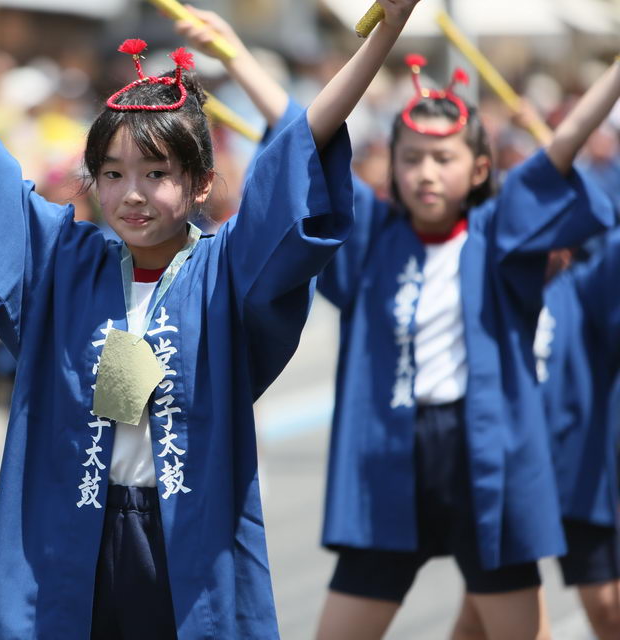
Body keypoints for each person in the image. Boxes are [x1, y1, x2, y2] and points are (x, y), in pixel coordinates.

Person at [0, 1, 417, 637]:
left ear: (201, 184)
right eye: (112, 173)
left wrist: (384, 32)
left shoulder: (225, 271)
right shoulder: (62, 262)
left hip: (185, 544)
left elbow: (296, 155)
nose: (131, 193)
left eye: (156, 173)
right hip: (68, 536)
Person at [228, 44, 616, 640]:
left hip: (486, 463)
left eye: (443, 157)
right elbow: (304, 135)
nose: (426, 173)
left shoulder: (499, 235)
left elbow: (562, 149)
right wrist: (237, 57)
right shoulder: (371, 237)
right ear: (392, 167)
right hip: (390, 458)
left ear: (479, 169)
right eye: (410, 159)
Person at [528, 236, 620, 640]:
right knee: (486, 615)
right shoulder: (488, 286)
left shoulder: (582, 287)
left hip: (578, 479)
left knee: (608, 610)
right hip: (509, 479)